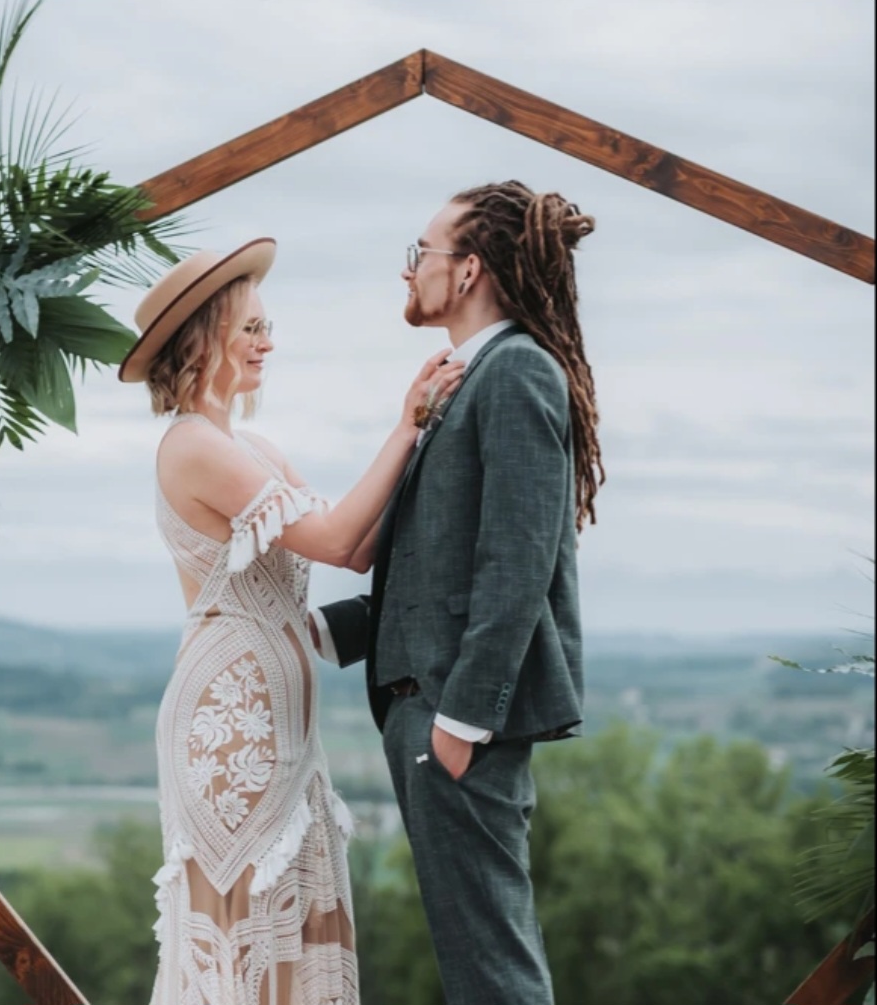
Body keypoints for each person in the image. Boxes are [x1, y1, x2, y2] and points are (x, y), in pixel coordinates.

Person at [119, 237, 463, 1005]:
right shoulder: (192, 447)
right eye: (250, 329)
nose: (268, 342)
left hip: (286, 732)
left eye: (267, 326)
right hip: (230, 729)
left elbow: (363, 539)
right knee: (245, 933)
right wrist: (406, 425)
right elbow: (338, 541)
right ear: (203, 338)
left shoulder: (256, 447)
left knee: (293, 931)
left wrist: (436, 447)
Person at [311, 181, 602, 1005]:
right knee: (475, 968)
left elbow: (514, 564)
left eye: (422, 253)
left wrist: (460, 723)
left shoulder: (515, 373)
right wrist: (318, 632)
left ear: (468, 269)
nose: (409, 272)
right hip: (427, 707)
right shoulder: (463, 377)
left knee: (494, 974)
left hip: (454, 718)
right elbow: (440, 559)